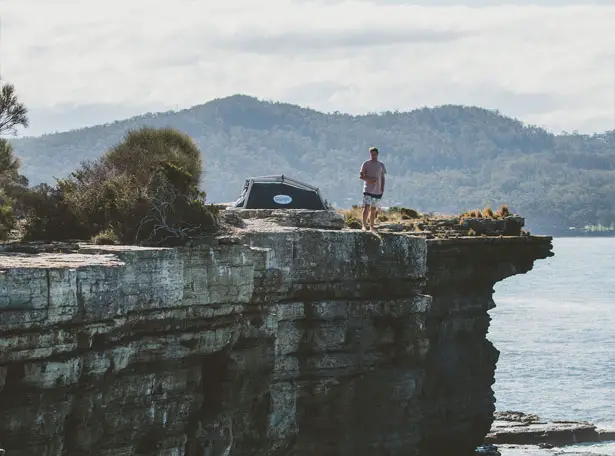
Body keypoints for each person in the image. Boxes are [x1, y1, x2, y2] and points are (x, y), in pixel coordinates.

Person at [359, 146, 386, 231]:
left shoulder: (381, 165)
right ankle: (363, 225)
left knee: (373, 209)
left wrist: (382, 188)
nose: (373, 156)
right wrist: (369, 180)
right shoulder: (366, 163)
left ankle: (371, 227)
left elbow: (383, 177)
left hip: (377, 191)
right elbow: (361, 176)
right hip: (367, 189)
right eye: (371, 154)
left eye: (374, 154)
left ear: (377, 154)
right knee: (366, 207)